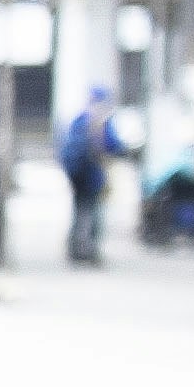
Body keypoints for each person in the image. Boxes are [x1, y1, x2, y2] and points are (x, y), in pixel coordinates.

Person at [60, 82, 119, 266]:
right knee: (92, 213)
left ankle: (75, 248)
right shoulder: (101, 122)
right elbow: (115, 145)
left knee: (79, 212)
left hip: (77, 176)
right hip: (92, 176)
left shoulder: (79, 120)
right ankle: (88, 249)